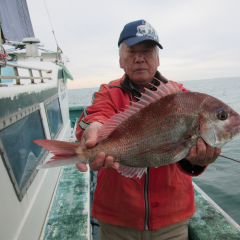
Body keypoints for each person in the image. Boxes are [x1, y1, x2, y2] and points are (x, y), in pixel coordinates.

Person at [75, 20, 221, 240]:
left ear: (158, 58)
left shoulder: (182, 98)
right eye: (132, 51)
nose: (139, 58)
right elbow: (95, 115)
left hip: (171, 221)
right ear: (120, 60)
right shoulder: (108, 92)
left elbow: (186, 154)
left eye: (147, 51)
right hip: (116, 220)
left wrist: (199, 159)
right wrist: (93, 129)